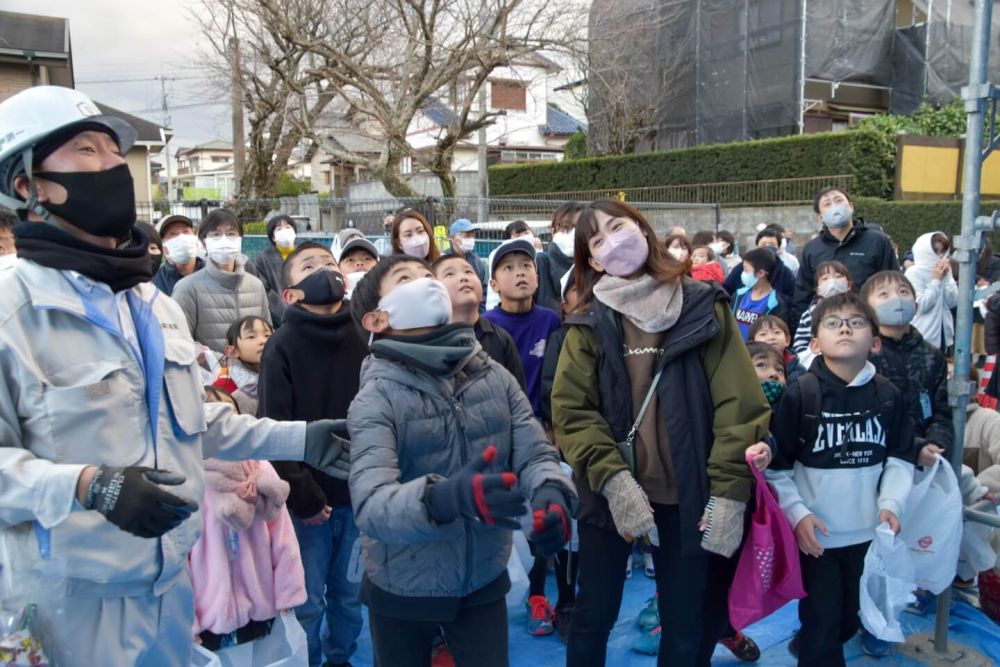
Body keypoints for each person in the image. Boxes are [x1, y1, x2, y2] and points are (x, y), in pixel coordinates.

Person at [0, 84, 353, 665]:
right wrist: (87, 484)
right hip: (66, 608)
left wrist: (300, 437)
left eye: (114, 152)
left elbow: (193, 422)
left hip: (171, 589)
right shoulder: (13, 310)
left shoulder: (150, 304)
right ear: (28, 187)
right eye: (86, 151)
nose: (112, 165)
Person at [551, 198, 771, 667]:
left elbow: (739, 401)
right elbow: (572, 411)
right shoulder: (587, 322)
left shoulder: (702, 304)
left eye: (618, 226)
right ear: (591, 259)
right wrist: (611, 479)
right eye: (598, 238)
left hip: (691, 493)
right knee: (594, 614)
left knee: (687, 620)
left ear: (641, 228)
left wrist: (730, 490)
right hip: (613, 493)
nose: (614, 240)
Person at [346, 255, 577, 667]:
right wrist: (442, 498)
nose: (427, 283)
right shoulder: (375, 397)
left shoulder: (493, 375)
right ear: (376, 320)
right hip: (403, 587)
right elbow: (370, 504)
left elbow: (535, 451)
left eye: (426, 275)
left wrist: (551, 494)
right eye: (406, 279)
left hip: (482, 580)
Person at [767, 292, 915, 667]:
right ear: (815, 343)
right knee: (822, 622)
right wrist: (798, 515)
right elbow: (778, 467)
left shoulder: (888, 395)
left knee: (849, 619)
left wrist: (891, 504)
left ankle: (815, 643)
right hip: (817, 537)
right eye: (832, 323)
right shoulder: (801, 394)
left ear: (876, 342)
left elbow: (900, 456)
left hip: (867, 536)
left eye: (857, 322)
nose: (845, 327)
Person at [258, 241, 368, 667]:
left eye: (328, 262)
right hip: (309, 506)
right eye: (309, 266)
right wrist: (302, 494)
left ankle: (340, 658)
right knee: (307, 600)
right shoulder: (282, 345)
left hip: (360, 496)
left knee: (350, 594)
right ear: (290, 295)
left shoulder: (365, 334)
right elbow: (273, 425)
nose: (324, 269)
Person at [190, 386, 307, 654]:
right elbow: (179, 559)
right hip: (209, 612)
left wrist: (287, 592)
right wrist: (187, 620)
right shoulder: (189, 479)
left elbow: (283, 538)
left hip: (260, 603)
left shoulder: (260, 470)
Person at [862, 271, 952, 468]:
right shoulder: (862, 354)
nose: (896, 299)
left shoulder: (932, 355)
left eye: (903, 292)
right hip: (878, 459)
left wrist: (936, 442)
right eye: (884, 294)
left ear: (916, 304)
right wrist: (913, 447)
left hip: (928, 458)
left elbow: (941, 411)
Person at [791, 186, 898, 327]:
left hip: (869, 324)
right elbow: (803, 294)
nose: (834, 207)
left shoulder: (877, 241)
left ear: (851, 206)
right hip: (827, 326)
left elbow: (892, 282)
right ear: (820, 217)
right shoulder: (812, 249)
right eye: (827, 204)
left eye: (839, 200)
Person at [172, 209, 271, 355]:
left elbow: (268, 333)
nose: (224, 240)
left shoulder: (256, 285)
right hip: (210, 376)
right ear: (204, 243)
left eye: (231, 234)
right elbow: (180, 342)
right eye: (216, 235)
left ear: (240, 239)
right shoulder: (187, 288)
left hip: (256, 374)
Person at [484, 238, 562, 421]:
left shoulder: (551, 320)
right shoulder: (486, 325)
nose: (520, 273)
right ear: (493, 284)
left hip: (545, 423)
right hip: (504, 421)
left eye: (526, 266)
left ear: (537, 278)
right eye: (508, 268)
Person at [433, 253, 526, 390]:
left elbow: (518, 395)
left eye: (469, 271)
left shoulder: (500, 338)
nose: (463, 277)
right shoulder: (430, 342)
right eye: (450, 274)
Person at [791, 260, 853, 370]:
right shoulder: (809, 314)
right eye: (825, 278)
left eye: (838, 276)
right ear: (818, 290)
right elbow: (799, 346)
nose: (832, 281)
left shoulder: (857, 311)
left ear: (849, 285)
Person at [906, 232, 959, 352]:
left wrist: (948, 278)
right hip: (923, 334)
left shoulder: (944, 270)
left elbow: (952, 301)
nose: (940, 256)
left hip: (944, 333)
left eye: (943, 252)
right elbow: (921, 306)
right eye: (936, 251)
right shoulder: (913, 272)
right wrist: (936, 280)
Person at [212, 315, 272, 416]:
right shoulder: (224, 385)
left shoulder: (279, 374)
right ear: (233, 352)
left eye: (267, 335)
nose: (263, 341)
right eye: (251, 336)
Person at [733, 247, 789, 341]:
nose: (743, 274)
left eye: (746, 270)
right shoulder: (738, 295)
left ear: (760, 273)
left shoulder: (776, 304)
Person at [723, 227, 795, 300]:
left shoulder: (785, 273)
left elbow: (792, 298)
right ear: (757, 246)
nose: (767, 247)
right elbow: (727, 290)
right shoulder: (742, 268)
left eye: (772, 245)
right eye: (763, 244)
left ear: (778, 249)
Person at [536, 202, 584, 311]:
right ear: (553, 231)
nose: (574, 234)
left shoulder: (597, 269)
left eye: (580, 228)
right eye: (566, 227)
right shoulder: (539, 265)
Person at [253, 214, 299, 327]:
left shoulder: (305, 253)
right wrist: (284, 312)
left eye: (288, 227)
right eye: (279, 229)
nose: (284, 231)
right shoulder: (264, 258)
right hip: (280, 319)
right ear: (273, 236)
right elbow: (265, 290)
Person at [486, 219, 537, 310]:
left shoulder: (549, 319)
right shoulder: (497, 254)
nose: (520, 273)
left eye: (526, 233)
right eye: (509, 268)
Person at [444, 218, 488, 310]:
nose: (471, 239)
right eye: (466, 236)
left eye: (473, 236)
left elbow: (483, 291)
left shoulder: (476, 262)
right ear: (453, 238)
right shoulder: (443, 260)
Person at [153, 214, 203, 296]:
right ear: (162, 245)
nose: (182, 237)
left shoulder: (212, 273)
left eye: (186, 232)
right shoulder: (154, 281)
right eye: (173, 234)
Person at [750, 314, 805, 383]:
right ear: (752, 342)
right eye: (763, 334)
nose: (771, 337)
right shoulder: (747, 363)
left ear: (787, 340)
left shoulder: (798, 370)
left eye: (777, 332)